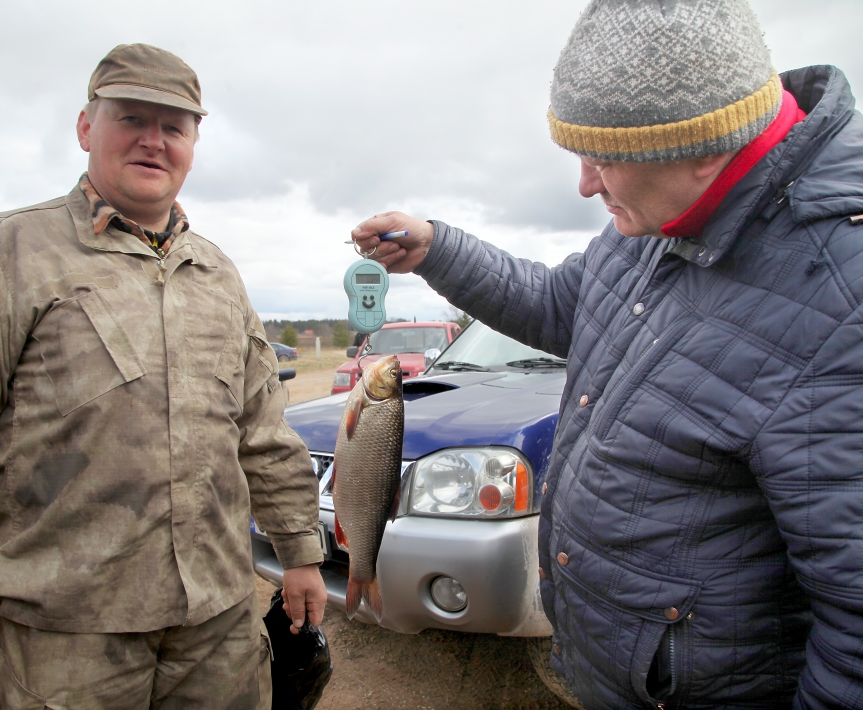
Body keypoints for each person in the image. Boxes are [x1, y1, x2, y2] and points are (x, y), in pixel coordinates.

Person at [352, 1, 863, 707]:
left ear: (703, 144)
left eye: (604, 158)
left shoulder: (842, 293)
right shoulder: (663, 218)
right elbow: (563, 303)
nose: (586, 185)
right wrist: (439, 249)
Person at [0, 43, 326, 710]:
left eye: (174, 127)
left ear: (194, 142)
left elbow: (262, 432)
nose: (154, 142)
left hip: (217, 639)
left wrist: (300, 550)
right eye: (131, 118)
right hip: (64, 648)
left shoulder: (218, 276)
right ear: (85, 127)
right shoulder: (7, 254)